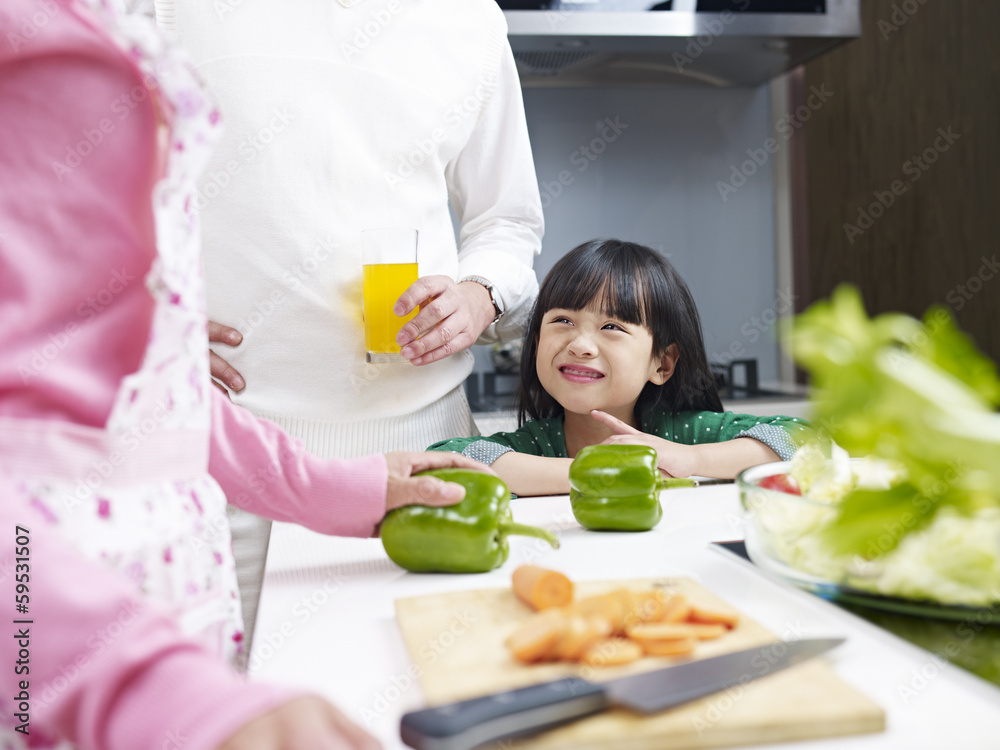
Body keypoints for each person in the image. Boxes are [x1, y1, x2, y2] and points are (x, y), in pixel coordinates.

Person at [0, 1, 487, 747]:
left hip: (168, 639)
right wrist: (166, 697)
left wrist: (332, 485)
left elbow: (158, 404)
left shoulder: (109, 29)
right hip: (55, 661)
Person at [150, 0, 544, 648]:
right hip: (220, 454)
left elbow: (508, 220)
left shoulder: (469, 18)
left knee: (428, 690)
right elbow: (83, 196)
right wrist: (140, 319)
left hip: (426, 449)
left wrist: (478, 295)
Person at [429, 240, 810, 496]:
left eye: (612, 327)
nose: (579, 345)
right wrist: (600, 473)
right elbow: (445, 464)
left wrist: (689, 460)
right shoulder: (538, 446)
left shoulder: (685, 436)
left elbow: (806, 441)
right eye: (562, 321)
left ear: (661, 363)